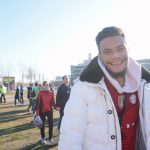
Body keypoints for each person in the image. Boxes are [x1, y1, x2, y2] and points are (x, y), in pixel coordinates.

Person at [58, 26, 150, 150]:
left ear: (128, 49)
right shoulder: (83, 88)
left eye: (120, 48)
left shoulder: (144, 84)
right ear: (100, 55)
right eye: (107, 52)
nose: (115, 56)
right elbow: (70, 138)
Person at [35, 81, 57, 145]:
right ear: (43, 86)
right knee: (42, 124)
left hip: (49, 110)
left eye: (47, 85)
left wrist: (55, 107)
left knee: (51, 124)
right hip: (42, 111)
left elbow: (53, 101)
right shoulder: (40, 93)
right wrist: (37, 113)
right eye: (45, 85)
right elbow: (38, 103)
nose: (47, 86)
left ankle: (50, 138)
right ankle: (43, 137)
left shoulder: (51, 92)